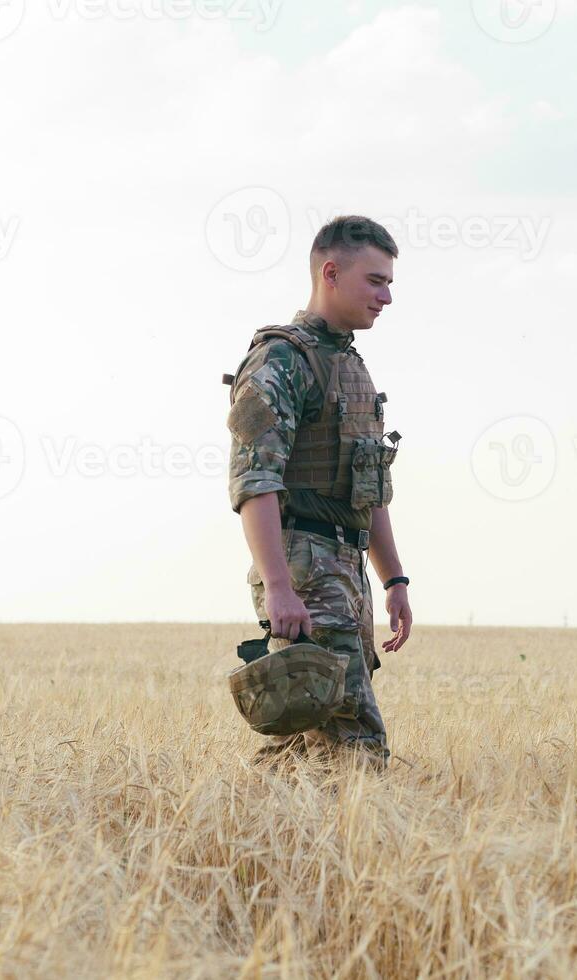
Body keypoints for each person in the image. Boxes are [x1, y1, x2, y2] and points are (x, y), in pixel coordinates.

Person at [224, 215, 413, 768]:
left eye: (389, 284)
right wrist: (281, 586)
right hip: (306, 565)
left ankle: (251, 834)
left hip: (345, 568)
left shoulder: (349, 364)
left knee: (309, 746)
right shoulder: (282, 360)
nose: (386, 298)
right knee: (354, 747)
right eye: (375, 281)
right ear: (331, 272)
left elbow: (369, 487)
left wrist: (393, 579)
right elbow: (254, 480)